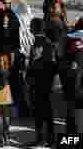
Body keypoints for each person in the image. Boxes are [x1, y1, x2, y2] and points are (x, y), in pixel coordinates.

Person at [27, 18, 56, 148]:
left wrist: (29, 80)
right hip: (46, 83)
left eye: (30, 26)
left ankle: (41, 139)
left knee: (39, 112)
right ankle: (50, 139)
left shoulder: (39, 43)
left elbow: (35, 64)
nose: (29, 28)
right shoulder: (48, 43)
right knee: (47, 112)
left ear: (34, 29)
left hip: (38, 83)